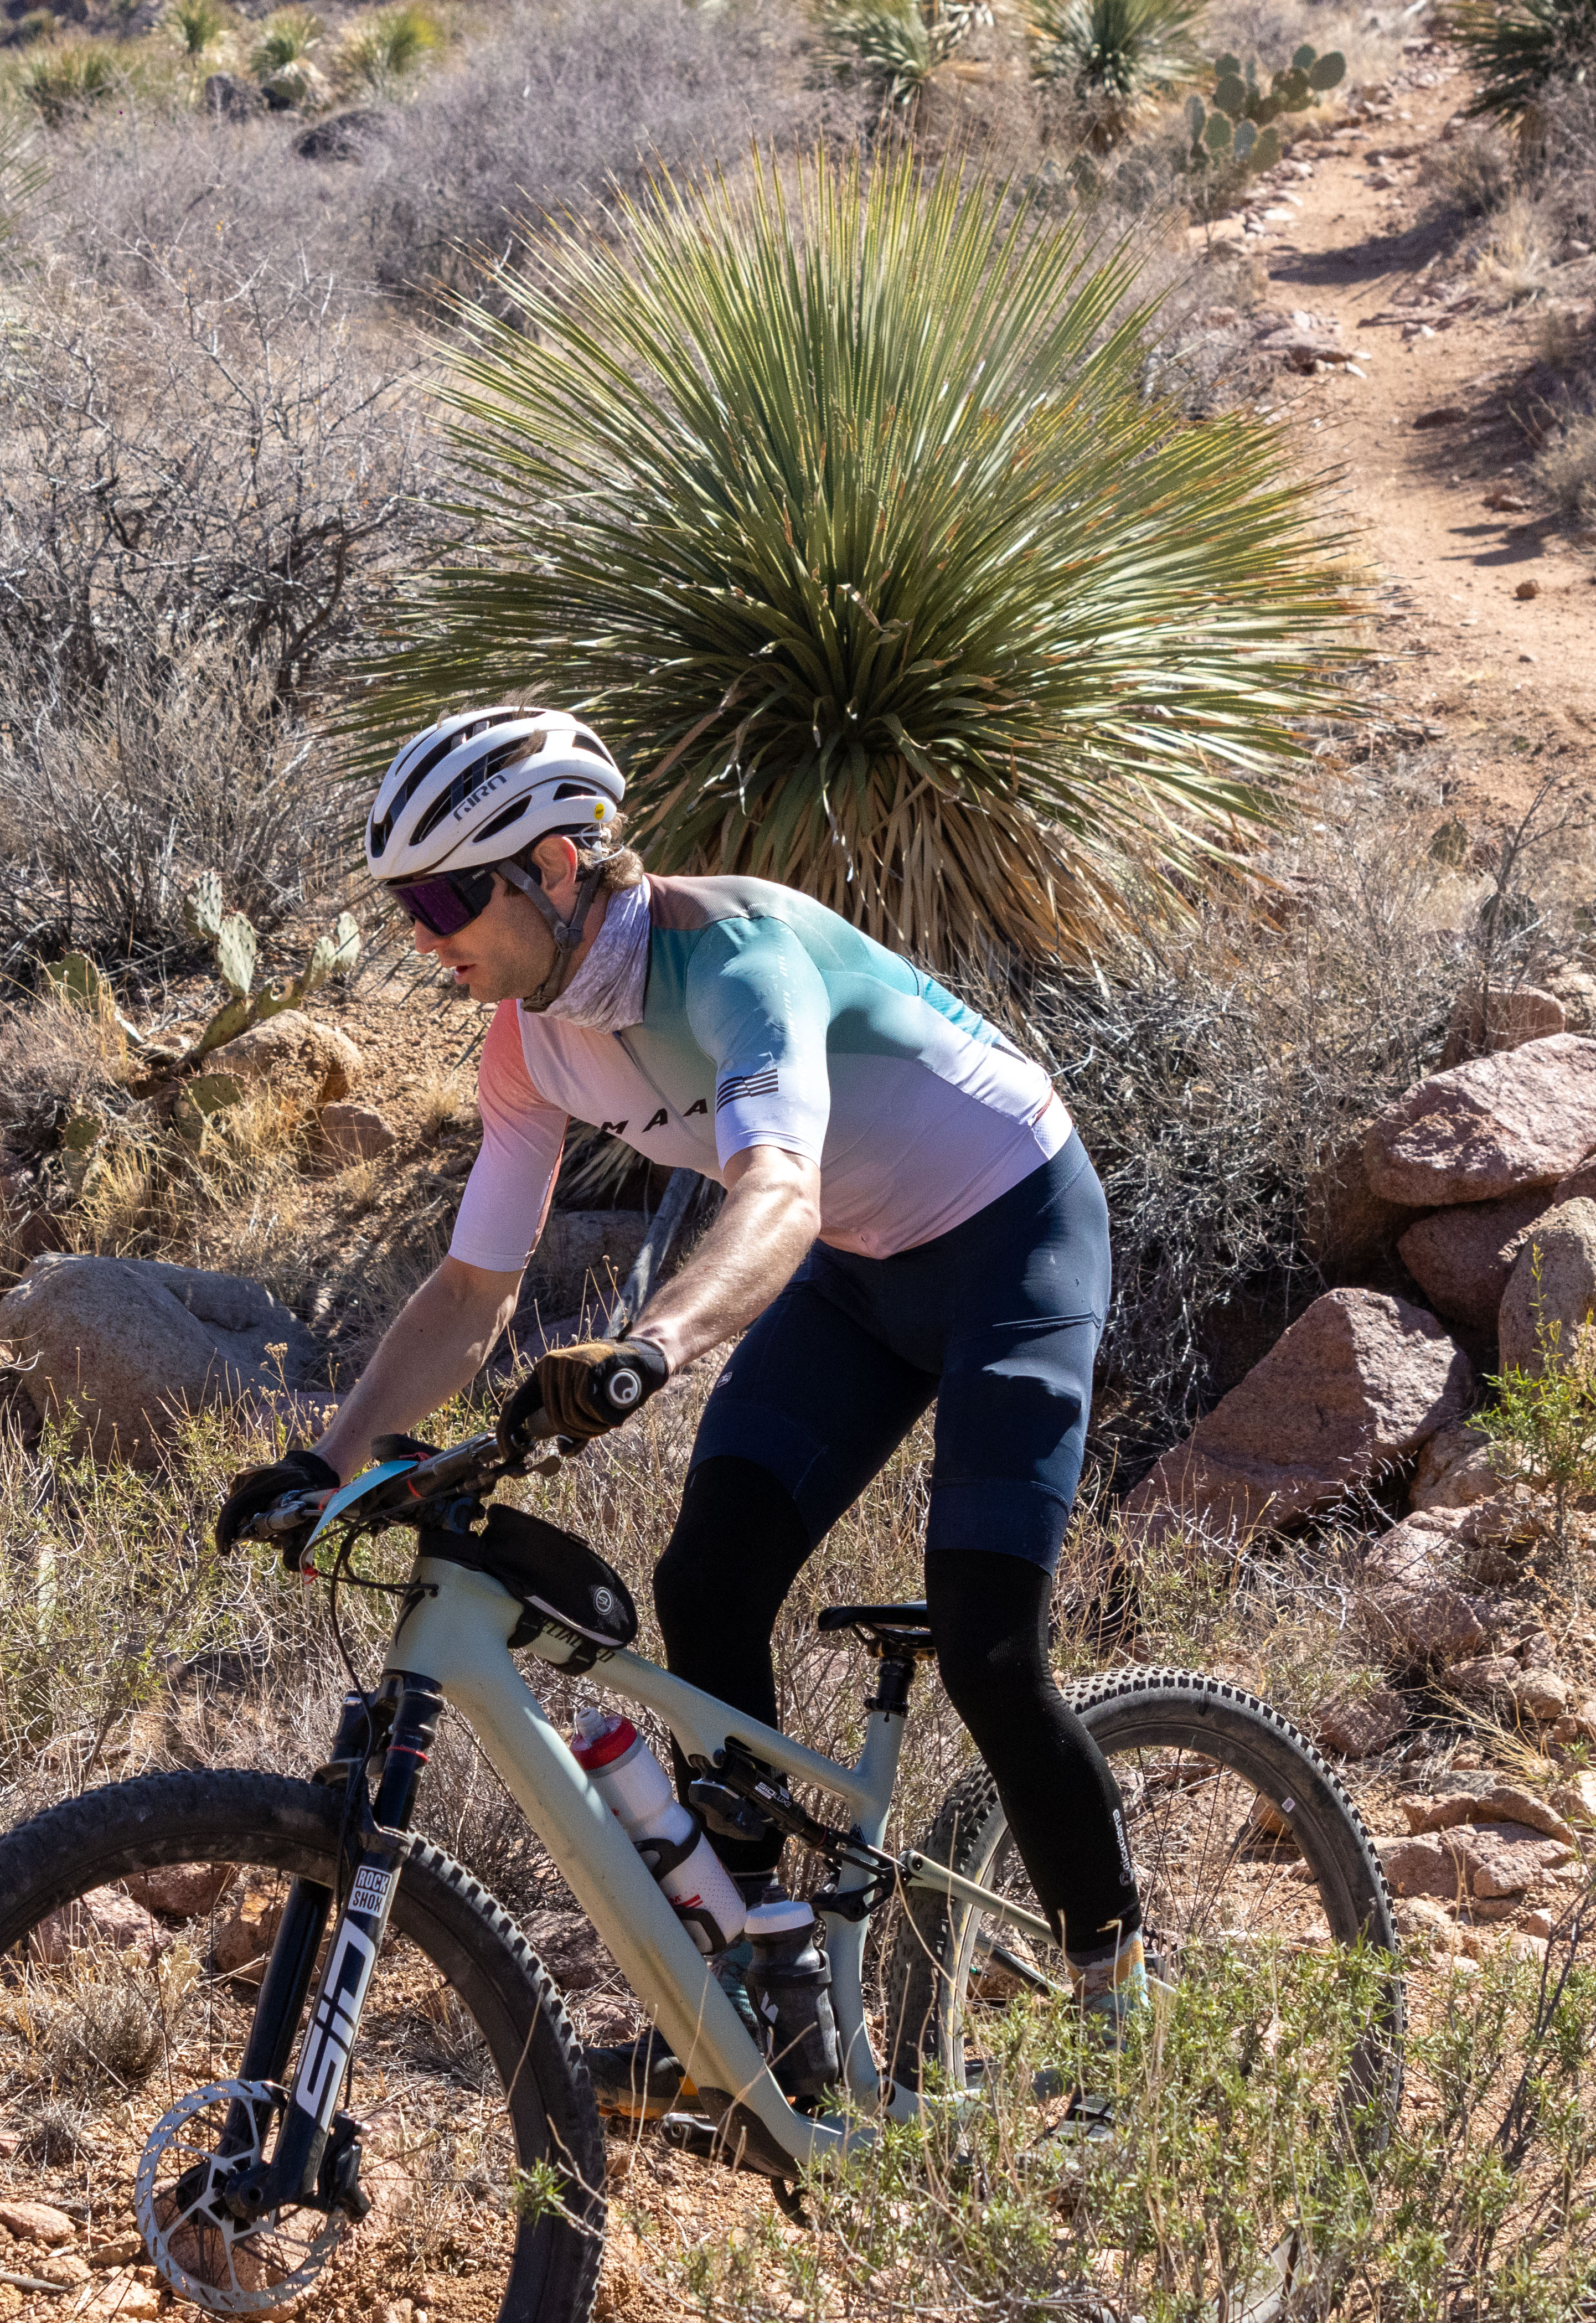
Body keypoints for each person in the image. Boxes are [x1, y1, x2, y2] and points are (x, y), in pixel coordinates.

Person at [214, 705, 1137, 2116]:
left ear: (555, 867)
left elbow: (778, 1193)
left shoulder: (732, 959)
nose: (421, 933)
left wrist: (651, 1346)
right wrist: (321, 1459)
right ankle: (758, 2003)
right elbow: (472, 1286)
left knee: (988, 1646)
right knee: (705, 1586)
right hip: (860, 1268)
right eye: (406, 904)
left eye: (448, 899)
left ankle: (1122, 2018)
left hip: (1012, 1229)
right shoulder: (525, 1044)